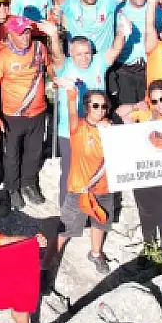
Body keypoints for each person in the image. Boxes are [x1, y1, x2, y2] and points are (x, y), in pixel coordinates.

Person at [0, 15, 51, 210]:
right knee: (12, 154)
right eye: (20, 33)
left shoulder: (39, 49)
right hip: (12, 116)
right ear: (10, 35)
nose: (25, 36)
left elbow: (51, 69)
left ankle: (29, 183)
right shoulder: (3, 57)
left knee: (34, 150)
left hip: (38, 111)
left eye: (27, 31)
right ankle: (12, 187)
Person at [117, 80, 162, 254]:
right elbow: (120, 113)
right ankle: (148, 247)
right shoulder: (148, 114)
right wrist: (136, 106)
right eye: (154, 101)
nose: (159, 105)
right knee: (145, 212)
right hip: (147, 173)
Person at [54, 31, 120, 206]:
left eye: (87, 53)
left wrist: (122, 31)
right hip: (70, 131)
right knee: (70, 171)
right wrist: (53, 35)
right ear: (70, 54)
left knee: (99, 169)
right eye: (79, 54)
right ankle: (67, 212)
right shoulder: (64, 66)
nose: (84, 58)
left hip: (98, 129)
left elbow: (115, 50)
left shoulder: (98, 62)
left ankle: (95, 208)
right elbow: (56, 54)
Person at [62, 82, 116, 274]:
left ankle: (95, 253)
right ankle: (49, 257)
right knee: (66, 227)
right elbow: (70, 109)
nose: (100, 110)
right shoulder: (78, 128)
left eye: (103, 106)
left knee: (100, 222)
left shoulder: (110, 129)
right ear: (87, 108)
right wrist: (70, 91)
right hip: (80, 188)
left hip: (103, 186)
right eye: (95, 106)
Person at [109, 0, 148, 111]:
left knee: (147, 109)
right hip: (124, 67)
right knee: (128, 110)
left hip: (147, 67)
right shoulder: (117, 10)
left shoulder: (155, 8)